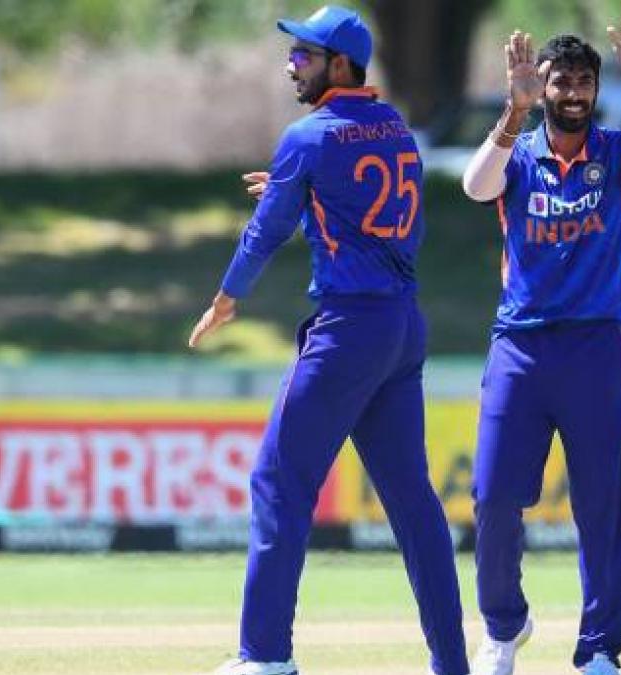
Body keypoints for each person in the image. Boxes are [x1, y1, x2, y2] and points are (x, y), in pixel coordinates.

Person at [187, 6, 469, 675]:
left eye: (304, 56)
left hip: (348, 331)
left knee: (278, 481)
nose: (292, 66)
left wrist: (227, 296)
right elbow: (374, 215)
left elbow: (264, 233)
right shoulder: (397, 129)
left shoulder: (309, 137)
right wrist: (301, 193)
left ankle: (265, 656)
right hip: (401, 326)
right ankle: (452, 662)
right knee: (413, 502)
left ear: (340, 65)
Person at [458, 2, 621, 673]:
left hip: (596, 345)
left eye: (584, 82)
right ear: (539, 87)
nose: (573, 93)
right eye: (561, 81)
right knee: (493, 496)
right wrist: (512, 114)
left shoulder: (618, 152)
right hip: (520, 345)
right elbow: (474, 187)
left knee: (601, 504)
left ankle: (599, 647)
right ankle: (503, 626)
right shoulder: (518, 155)